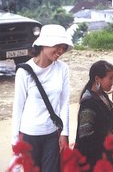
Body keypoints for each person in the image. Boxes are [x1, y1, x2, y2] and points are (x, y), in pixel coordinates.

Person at [11, 24, 73, 171]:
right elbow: (18, 107)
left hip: (52, 134)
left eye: (63, 47)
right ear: (43, 44)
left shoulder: (62, 69)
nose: (60, 51)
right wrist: (15, 141)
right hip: (28, 135)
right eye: (57, 46)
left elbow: (64, 102)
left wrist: (64, 134)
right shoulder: (24, 71)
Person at [74, 60, 113, 170]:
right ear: (97, 79)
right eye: (110, 78)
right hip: (92, 158)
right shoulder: (88, 102)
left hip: (103, 153)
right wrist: (106, 136)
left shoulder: (102, 96)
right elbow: (85, 136)